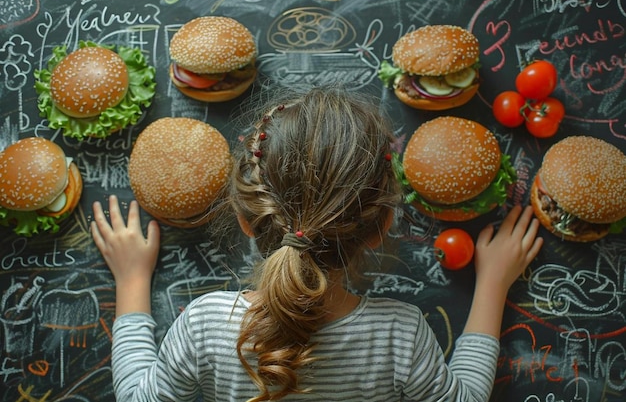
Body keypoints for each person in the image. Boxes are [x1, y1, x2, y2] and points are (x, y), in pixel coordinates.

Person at [91, 85, 543, 402]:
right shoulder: (399, 336)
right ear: (383, 224)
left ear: (247, 220)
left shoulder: (204, 325)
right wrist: (493, 284)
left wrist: (131, 279)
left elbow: (136, 396)